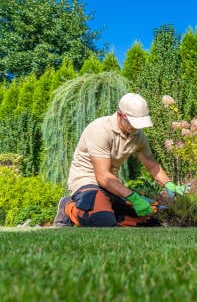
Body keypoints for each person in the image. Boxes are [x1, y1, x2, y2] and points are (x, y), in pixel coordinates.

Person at [53, 93, 187, 227]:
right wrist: (133, 197)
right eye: (133, 123)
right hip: (87, 181)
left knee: (150, 220)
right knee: (102, 221)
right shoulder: (100, 130)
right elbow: (102, 177)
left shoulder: (138, 136)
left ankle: (110, 214)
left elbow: (152, 166)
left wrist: (169, 184)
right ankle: (68, 207)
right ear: (120, 115)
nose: (136, 128)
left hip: (112, 186)